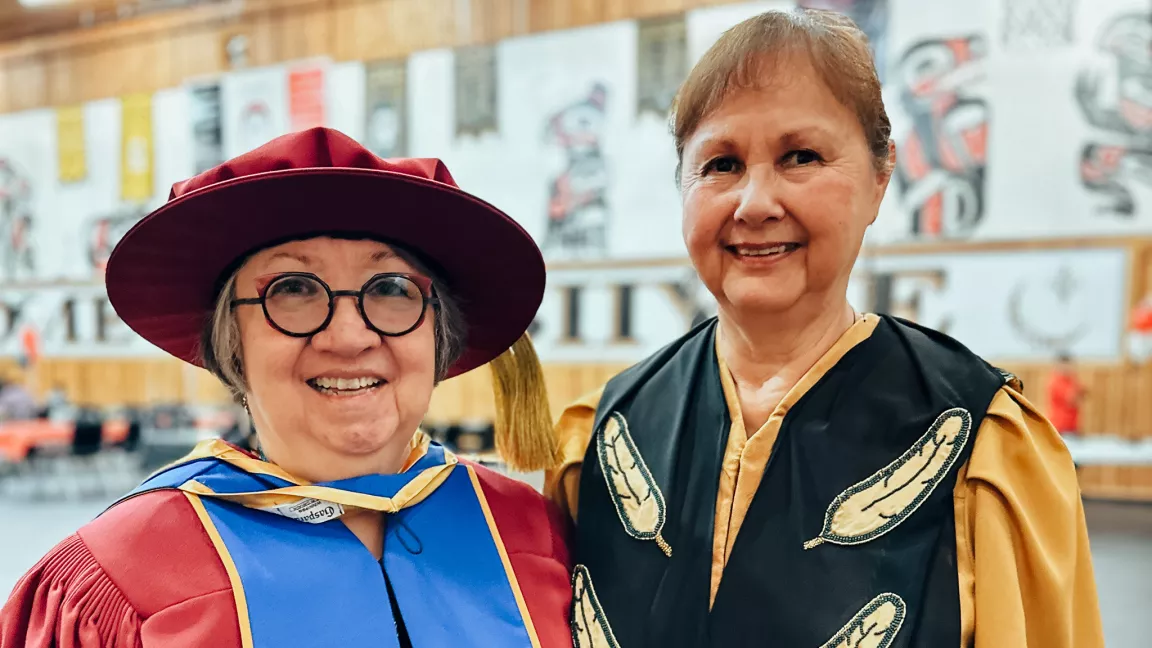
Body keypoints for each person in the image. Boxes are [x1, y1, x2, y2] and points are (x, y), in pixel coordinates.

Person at [547, 9, 1104, 648]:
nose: (755, 203)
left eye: (800, 156)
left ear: (879, 178)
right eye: (721, 164)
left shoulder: (984, 449)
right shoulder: (604, 436)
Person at [1, 127, 572, 647]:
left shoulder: (533, 530)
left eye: (392, 288)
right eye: (294, 287)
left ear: (437, 333)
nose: (349, 337)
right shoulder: (118, 575)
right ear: (232, 341)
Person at [1047, 352, 1087, 436]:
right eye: (1064, 365)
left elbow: (1082, 394)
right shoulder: (1055, 382)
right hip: (1059, 427)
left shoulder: (1072, 380)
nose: (1067, 368)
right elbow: (1071, 399)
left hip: (1072, 426)